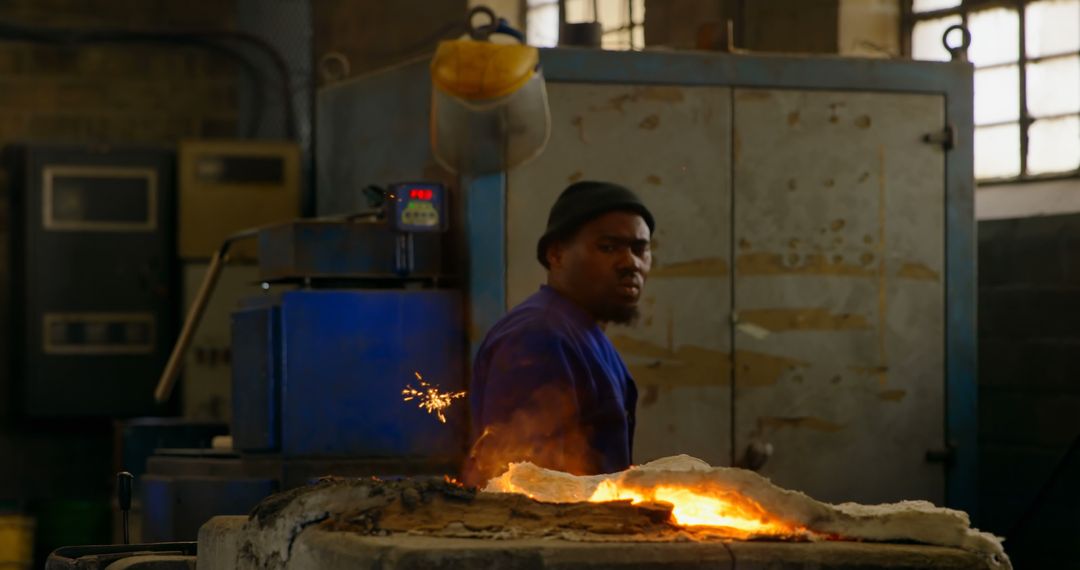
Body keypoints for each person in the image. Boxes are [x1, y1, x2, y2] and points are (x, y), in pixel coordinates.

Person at [464, 180, 654, 486]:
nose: (630, 263)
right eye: (608, 247)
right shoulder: (538, 336)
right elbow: (523, 486)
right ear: (557, 254)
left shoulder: (580, 331)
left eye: (639, 249)